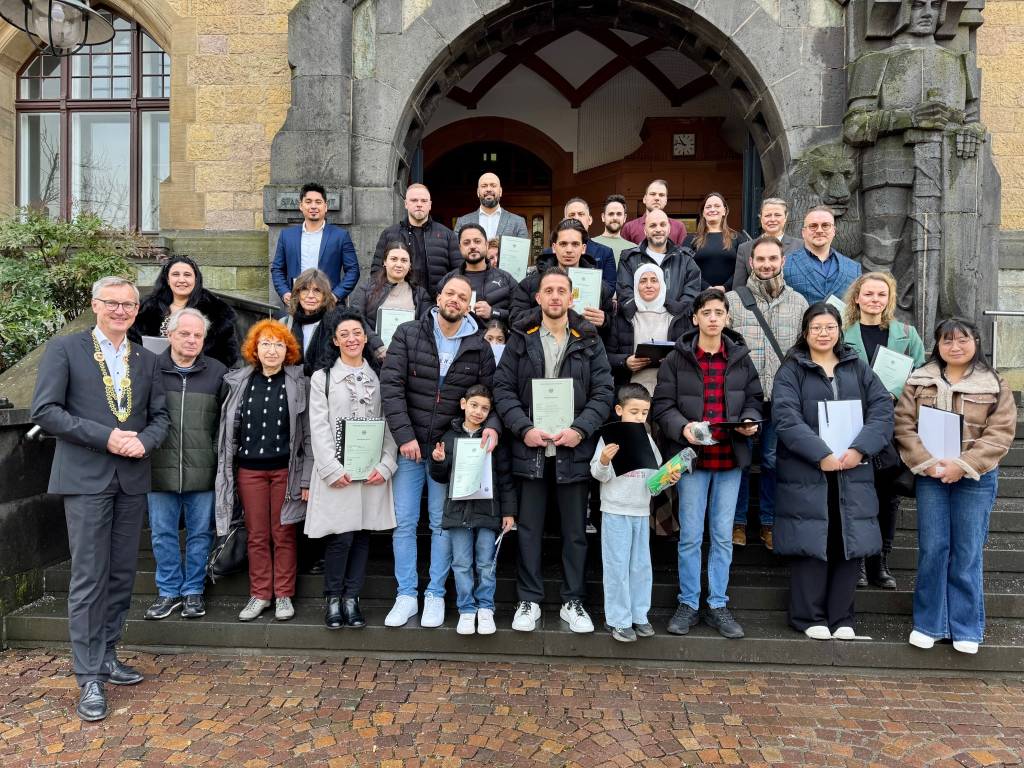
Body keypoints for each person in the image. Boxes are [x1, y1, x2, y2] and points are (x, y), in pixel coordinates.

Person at [31, 276, 169, 722]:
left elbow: (160, 417)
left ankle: (108, 655)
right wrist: (107, 437)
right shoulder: (66, 350)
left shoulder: (147, 360)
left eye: (129, 305)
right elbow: (46, 411)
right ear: (95, 305)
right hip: (86, 478)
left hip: (131, 478)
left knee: (121, 575)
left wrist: (143, 442)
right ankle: (88, 676)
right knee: (88, 578)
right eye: (113, 303)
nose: (121, 311)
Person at [494, 268, 614, 634]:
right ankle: (528, 599)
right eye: (549, 290)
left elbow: (604, 392)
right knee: (528, 530)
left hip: (572, 451)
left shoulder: (589, 338)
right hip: (530, 450)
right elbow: (502, 389)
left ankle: (572, 600)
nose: (556, 297)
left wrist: (580, 430)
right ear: (538, 297)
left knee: (575, 531)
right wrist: (523, 428)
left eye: (562, 290)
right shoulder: (521, 337)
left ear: (572, 297)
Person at [380, 275, 501, 629]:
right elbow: (392, 386)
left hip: (448, 452)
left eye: (463, 297)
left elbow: (491, 396)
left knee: (441, 523)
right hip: (409, 447)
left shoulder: (479, 345)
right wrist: (404, 435)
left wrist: (491, 425)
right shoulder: (408, 333)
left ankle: (434, 593)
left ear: (469, 304)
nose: (455, 300)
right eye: (450, 293)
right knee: (404, 523)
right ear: (438, 296)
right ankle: (406, 594)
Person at [771, 303, 893, 641]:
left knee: (847, 540)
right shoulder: (792, 369)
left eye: (830, 327)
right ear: (805, 332)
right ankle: (808, 616)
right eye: (816, 328)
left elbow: (882, 408)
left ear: (839, 330)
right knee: (812, 539)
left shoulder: (857, 367)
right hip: (808, 470)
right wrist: (820, 453)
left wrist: (859, 449)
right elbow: (785, 417)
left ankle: (842, 617)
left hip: (853, 469)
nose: (823, 334)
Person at [895, 318, 1016, 655]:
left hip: (975, 478)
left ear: (976, 342)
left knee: (966, 551)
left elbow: (1000, 433)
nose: (955, 347)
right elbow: (904, 425)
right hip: (930, 476)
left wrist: (962, 465)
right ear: (938, 345)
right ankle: (929, 623)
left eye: (963, 340)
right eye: (947, 341)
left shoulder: (994, 385)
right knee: (933, 548)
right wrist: (929, 463)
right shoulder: (920, 381)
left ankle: (965, 626)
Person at [654, 288, 762, 639]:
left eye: (719, 312)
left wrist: (748, 419)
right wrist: (681, 427)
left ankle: (717, 603)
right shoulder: (676, 359)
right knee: (690, 536)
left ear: (727, 317)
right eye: (707, 312)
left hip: (729, 459)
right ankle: (688, 602)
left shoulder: (741, 358)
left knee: (722, 536)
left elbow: (754, 398)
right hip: (693, 461)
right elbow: (662, 406)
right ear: (695, 318)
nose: (713, 318)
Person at [214, 319, 312, 623]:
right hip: (249, 471)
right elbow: (230, 429)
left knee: (283, 533)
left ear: (288, 350)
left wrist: (306, 477)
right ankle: (260, 594)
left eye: (279, 344)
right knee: (256, 535)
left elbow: (307, 435)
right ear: (255, 348)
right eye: (266, 343)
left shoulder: (298, 383)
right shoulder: (240, 381)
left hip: (285, 470)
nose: (272, 350)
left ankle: (283, 594)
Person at [305, 309, 398, 629]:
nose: (352, 339)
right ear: (334, 340)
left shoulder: (380, 375)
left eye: (357, 333)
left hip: (369, 471)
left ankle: (352, 598)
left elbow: (389, 422)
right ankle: (333, 598)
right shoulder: (323, 378)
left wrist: (387, 464)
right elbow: (318, 426)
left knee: (362, 536)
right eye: (344, 334)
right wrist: (331, 467)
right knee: (340, 536)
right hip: (339, 473)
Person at [842, 271, 926, 589]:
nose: (875, 300)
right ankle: (860, 561)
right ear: (857, 297)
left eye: (881, 295)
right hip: (855, 424)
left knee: (888, 497)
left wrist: (898, 391)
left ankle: (881, 562)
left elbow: (920, 375)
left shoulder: (906, 333)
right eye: (869, 294)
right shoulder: (840, 332)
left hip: (894, 423)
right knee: (857, 494)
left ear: (889, 300)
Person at [725, 235, 808, 551]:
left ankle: (770, 523)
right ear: (750, 262)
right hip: (744, 399)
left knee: (773, 462)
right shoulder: (733, 302)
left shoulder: (799, 304)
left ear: (782, 261)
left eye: (772, 259)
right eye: (760, 259)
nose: (766, 265)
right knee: (742, 461)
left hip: (782, 400)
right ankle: (738, 522)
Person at [144, 308, 227, 622]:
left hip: (203, 469)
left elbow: (224, 423)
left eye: (198, 335)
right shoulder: (150, 369)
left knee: (200, 534)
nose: (192, 340)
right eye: (185, 334)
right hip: (158, 468)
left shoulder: (218, 372)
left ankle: (193, 590)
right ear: (170, 335)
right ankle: (168, 591)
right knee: (162, 534)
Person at [591, 384, 680, 642]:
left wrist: (668, 478)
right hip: (616, 510)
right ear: (620, 410)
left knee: (640, 567)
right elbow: (598, 475)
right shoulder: (608, 438)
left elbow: (653, 485)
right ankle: (618, 620)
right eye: (634, 412)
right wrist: (605, 460)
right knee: (617, 567)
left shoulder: (649, 439)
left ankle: (639, 615)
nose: (640, 417)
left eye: (644, 413)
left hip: (640, 512)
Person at [429, 385, 516, 635]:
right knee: (461, 563)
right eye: (474, 405)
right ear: (463, 404)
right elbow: (441, 476)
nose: (478, 412)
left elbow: (504, 478)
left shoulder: (493, 440)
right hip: (457, 512)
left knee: (486, 563)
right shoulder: (448, 436)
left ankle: (486, 608)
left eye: (485, 408)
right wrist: (438, 461)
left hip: (488, 511)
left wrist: (508, 512)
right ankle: (466, 609)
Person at [132, 254, 239, 367]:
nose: (181, 280)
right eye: (175, 274)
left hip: (199, 375)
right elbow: (133, 345)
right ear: (167, 279)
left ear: (196, 279)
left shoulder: (217, 311)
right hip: (153, 372)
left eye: (187, 275)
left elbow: (227, 354)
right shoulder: (145, 309)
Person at [510, 219, 614, 328]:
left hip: (585, 343)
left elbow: (614, 328)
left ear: (583, 249)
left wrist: (605, 320)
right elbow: (515, 320)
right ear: (554, 248)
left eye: (575, 244)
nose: (569, 250)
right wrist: (547, 310)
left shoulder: (599, 287)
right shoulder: (530, 284)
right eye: (563, 244)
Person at [271, 182, 360, 305]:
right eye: (308, 202)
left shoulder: (340, 236)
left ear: (325, 206)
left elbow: (353, 270)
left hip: (328, 304)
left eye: (318, 202)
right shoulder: (287, 236)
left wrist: (335, 295)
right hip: (298, 303)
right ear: (301, 206)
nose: (313, 206)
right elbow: (277, 269)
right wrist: (285, 292)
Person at [369, 183, 460, 295]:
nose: (419, 204)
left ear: (430, 205)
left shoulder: (447, 235)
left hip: (435, 303)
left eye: (424, 201)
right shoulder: (389, 234)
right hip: (397, 302)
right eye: (414, 200)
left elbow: (458, 272)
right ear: (406, 204)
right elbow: (377, 272)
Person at [348, 242, 432, 360]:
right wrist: (378, 347)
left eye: (404, 260)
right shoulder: (366, 289)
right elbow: (356, 318)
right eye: (393, 259)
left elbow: (426, 327)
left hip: (407, 359)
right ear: (385, 262)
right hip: (371, 357)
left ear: (410, 265)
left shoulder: (420, 294)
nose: (399, 264)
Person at [605, 264, 679, 393]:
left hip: (668, 392)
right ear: (636, 285)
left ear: (662, 284)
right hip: (630, 393)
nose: (648, 285)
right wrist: (625, 362)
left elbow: (688, 354)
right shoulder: (623, 316)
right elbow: (606, 357)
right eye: (643, 281)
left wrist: (671, 360)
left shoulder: (677, 316)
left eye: (654, 280)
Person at [617, 209, 702, 320]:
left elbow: (692, 294)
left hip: (676, 325)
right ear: (645, 230)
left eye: (663, 225)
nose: (658, 229)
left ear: (669, 228)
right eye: (653, 225)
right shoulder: (629, 259)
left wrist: (673, 310)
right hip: (639, 323)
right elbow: (624, 293)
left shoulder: (686, 260)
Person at [440, 224, 517, 324]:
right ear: (460, 248)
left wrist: (493, 312)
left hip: (494, 338)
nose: (472, 246)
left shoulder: (506, 279)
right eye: (466, 243)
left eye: (477, 241)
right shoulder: (448, 280)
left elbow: (520, 314)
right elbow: (437, 313)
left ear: (486, 245)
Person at [784, 206, 861, 305]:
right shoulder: (785, 264)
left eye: (825, 225)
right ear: (803, 232)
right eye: (813, 226)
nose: (819, 230)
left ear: (833, 231)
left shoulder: (854, 269)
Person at [684, 192, 750, 292]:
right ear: (703, 212)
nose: (712, 209)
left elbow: (743, 269)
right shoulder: (690, 239)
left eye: (717, 206)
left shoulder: (737, 238)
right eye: (708, 207)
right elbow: (685, 268)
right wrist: (706, 287)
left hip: (731, 296)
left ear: (724, 211)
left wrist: (725, 287)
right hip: (698, 295)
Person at [732, 198, 803, 288]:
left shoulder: (800, 246)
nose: (772, 219)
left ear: (786, 217)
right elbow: (739, 287)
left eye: (777, 215)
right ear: (761, 218)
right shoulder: (745, 249)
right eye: (768, 215)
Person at [279, 268, 338, 376]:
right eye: (305, 289)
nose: (310, 296)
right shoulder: (283, 324)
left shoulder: (334, 325)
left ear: (325, 296)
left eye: (317, 290)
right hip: (292, 385)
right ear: (297, 293)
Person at [562, 197, 618, 289]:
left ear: (590, 220)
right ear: (564, 221)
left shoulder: (605, 253)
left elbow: (610, 288)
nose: (576, 218)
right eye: (572, 215)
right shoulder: (550, 253)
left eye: (581, 214)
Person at [454, 172, 529, 240]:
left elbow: (523, 254)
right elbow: (456, 252)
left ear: (500, 191)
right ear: (477, 192)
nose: (489, 189)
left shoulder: (518, 222)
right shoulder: (462, 222)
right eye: (484, 186)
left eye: (493, 185)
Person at [621, 179, 687, 245]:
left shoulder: (679, 227)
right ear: (644, 199)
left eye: (661, 195)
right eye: (653, 194)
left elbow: (683, 254)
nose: (657, 198)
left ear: (666, 201)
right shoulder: (629, 227)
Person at [592, 193, 637, 267]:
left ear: (625, 218)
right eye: (611, 214)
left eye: (619, 214)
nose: (615, 218)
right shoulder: (591, 244)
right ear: (603, 217)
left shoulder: (633, 249)